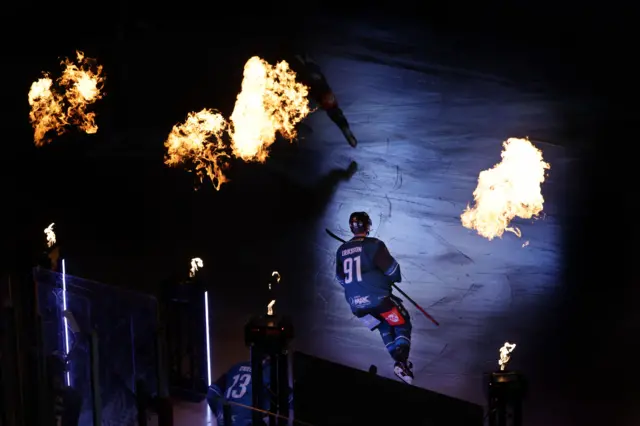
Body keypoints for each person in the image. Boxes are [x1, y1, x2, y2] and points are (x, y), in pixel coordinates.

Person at [335, 212, 414, 384]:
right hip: (378, 300)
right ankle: (402, 361)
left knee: (382, 326)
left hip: (357, 308)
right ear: (368, 226)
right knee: (401, 322)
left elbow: (341, 279)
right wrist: (388, 280)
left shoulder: (341, 251)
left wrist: (358, 288)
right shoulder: (374, 245)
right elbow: (393, 271)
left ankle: (399, 362)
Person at [291, 53, 358, 148]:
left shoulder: (318, 87)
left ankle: (294, 131)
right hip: (304, 78)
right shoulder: (304, 73)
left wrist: (345, 129)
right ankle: (293, 131)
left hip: (310, 80)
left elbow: (333, 109)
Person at [206, 357, 292, 425]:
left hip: (225, 419)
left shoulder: (236, 367)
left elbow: (211, 393)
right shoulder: (269, 372)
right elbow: (291, 399)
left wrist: (220, 411)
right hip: (247, 421)